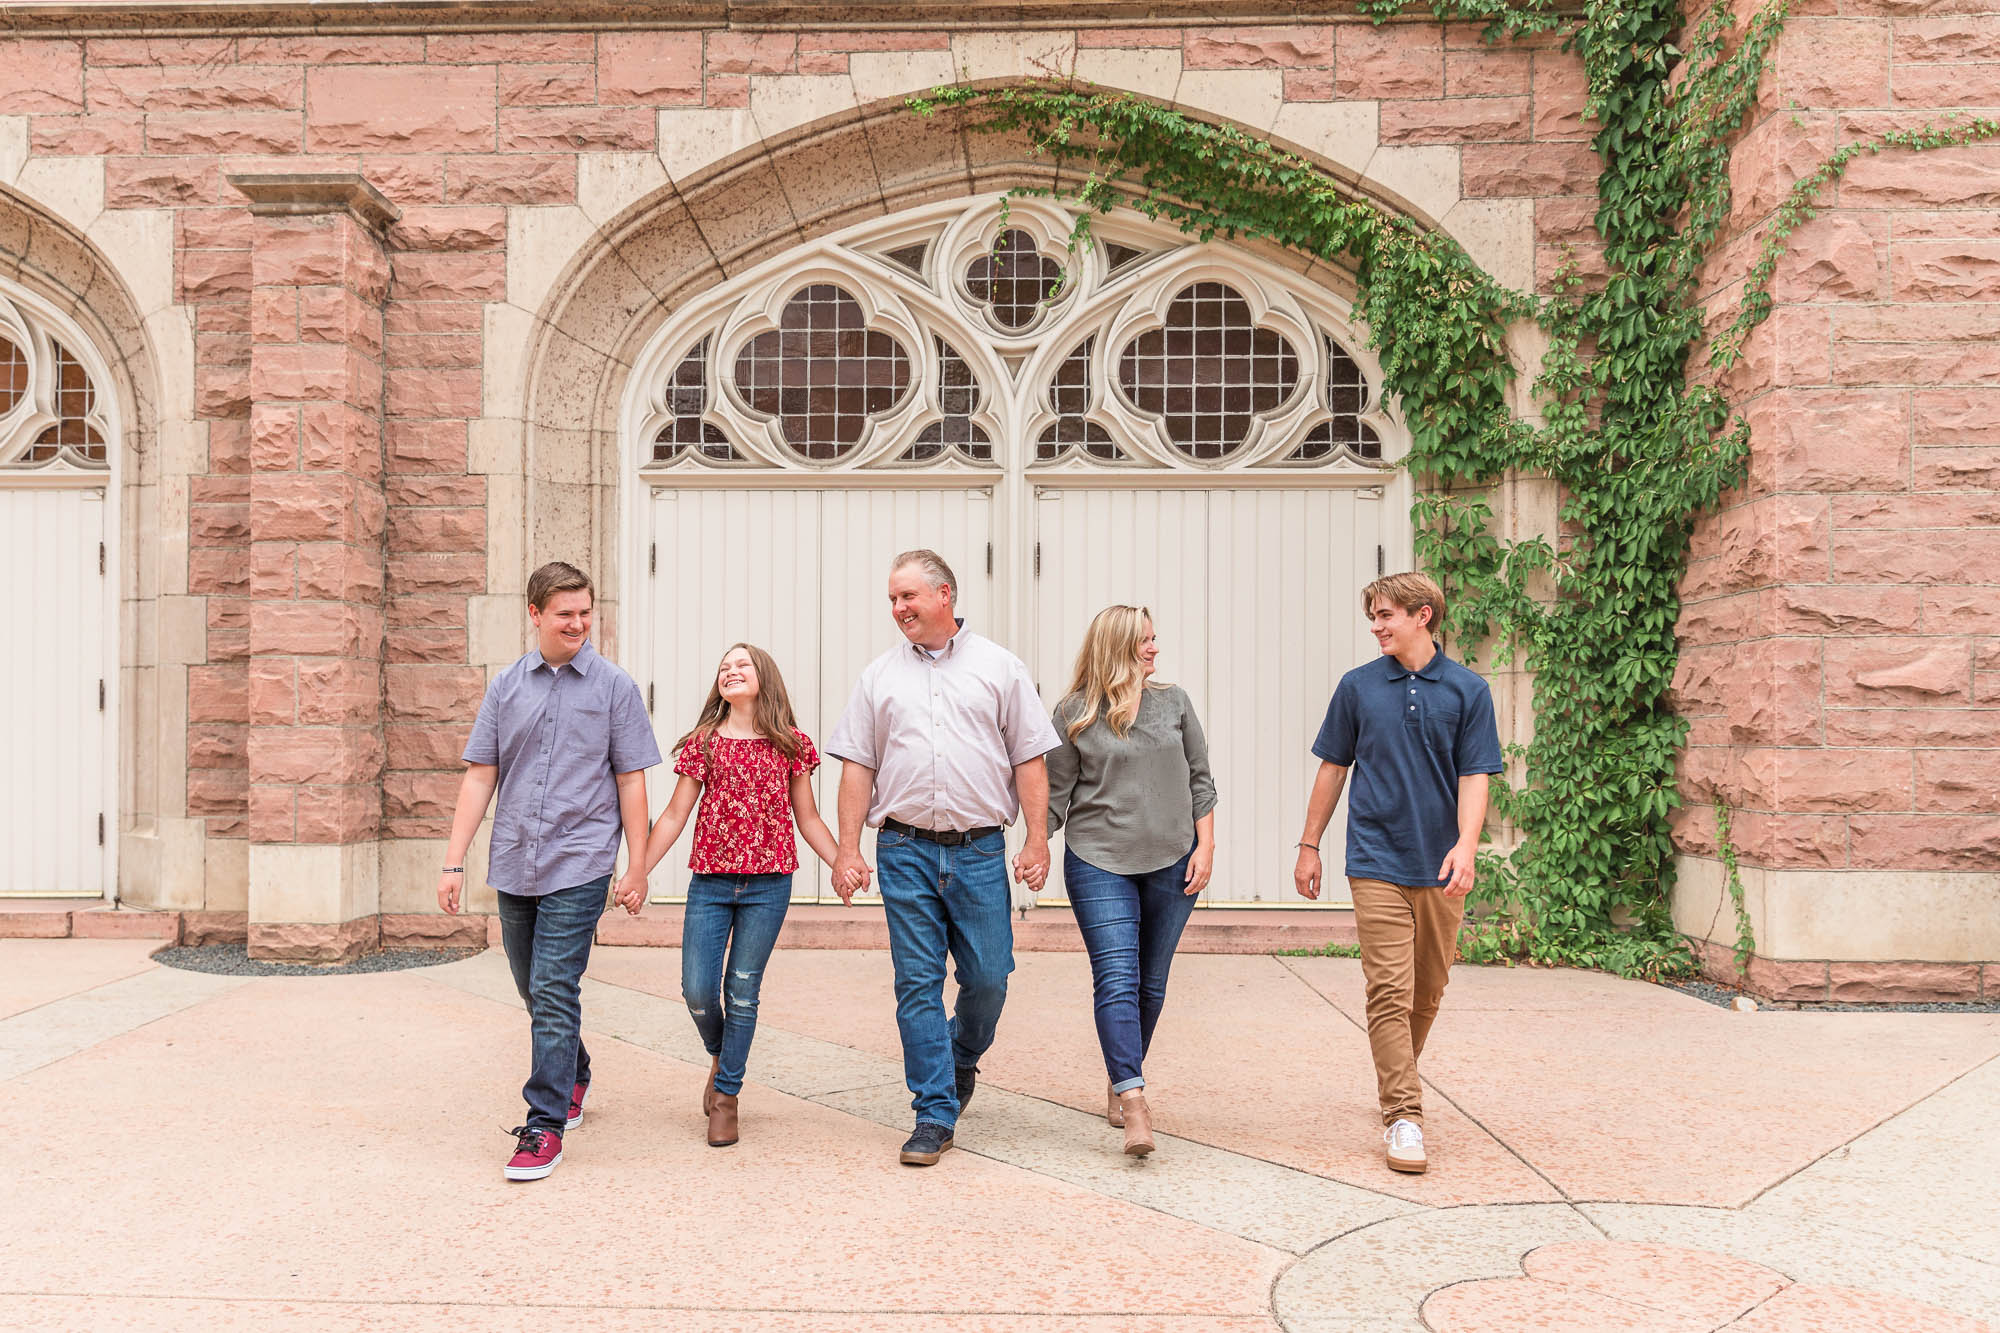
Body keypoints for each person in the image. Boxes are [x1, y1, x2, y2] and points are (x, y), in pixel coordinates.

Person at [826, 549, 1060, 1167]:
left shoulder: (1000, 668)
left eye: (908, 597)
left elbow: (1030, 760)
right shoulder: (879, 677)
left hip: (980, 849)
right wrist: (848, 849)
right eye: (893, 600)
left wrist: (1037, 840)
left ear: (945, 596)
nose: (898, 609)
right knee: (918, 983)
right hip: (903, 847)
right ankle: (933, 1113)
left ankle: (960, 1057)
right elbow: (858, 766)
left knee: (989, 976)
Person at [438, 561, 660, 1182]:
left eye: (586, 611)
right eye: (565, 613)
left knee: (555, 985)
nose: (579, 623)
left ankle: (544, 1124)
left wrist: (637, 865)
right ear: (534, 614)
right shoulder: (507, 685)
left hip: (582, 858)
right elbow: (481, 773)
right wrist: (453, 862)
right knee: (533, 987)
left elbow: (631, 780)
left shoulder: (615, 687)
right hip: (514, 857)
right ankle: (575, 1073)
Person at [1293, 571, 1502, 1177]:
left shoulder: (1468, 690)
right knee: (1388, 989)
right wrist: (1310, 844)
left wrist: (1466, 846)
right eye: (1373, 617)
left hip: (1440, 863)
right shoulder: (1358, 688)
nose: (1377, 627)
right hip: (1376, 858)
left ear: (1423, 616)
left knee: (1428, 988)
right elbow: (1333, 768)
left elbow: (1475, 776)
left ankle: (1396, 1073)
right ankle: (1402, 1113)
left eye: (1386, 615)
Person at [626, 643, 840, 1148]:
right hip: (712, 885)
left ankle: (726, 1096)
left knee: (741, 989)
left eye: (742, 664)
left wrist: (842, 862)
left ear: (765, 676)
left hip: (769, 885)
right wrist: (638, 871)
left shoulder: (791, 744)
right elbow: (675, 815)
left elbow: (807, 817)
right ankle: (723, 1056)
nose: (731, 670)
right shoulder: (704, 743)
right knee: (698, 990)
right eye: (724, 666)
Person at [1046, 606, 1216, 1157]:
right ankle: (1134, 1096)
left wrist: (1205, 846)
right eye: (1145, 641)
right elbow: (1055, 793)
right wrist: (1030, 846)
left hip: (1172, 858)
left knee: (1151, 983)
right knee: (1117, 978)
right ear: (1117, 646)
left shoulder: (1175, 702)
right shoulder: (1074, 713)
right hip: (1098, 860)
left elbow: (1200, 780)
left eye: (1154, 639)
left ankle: (1122, 1072)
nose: (1154, 649)